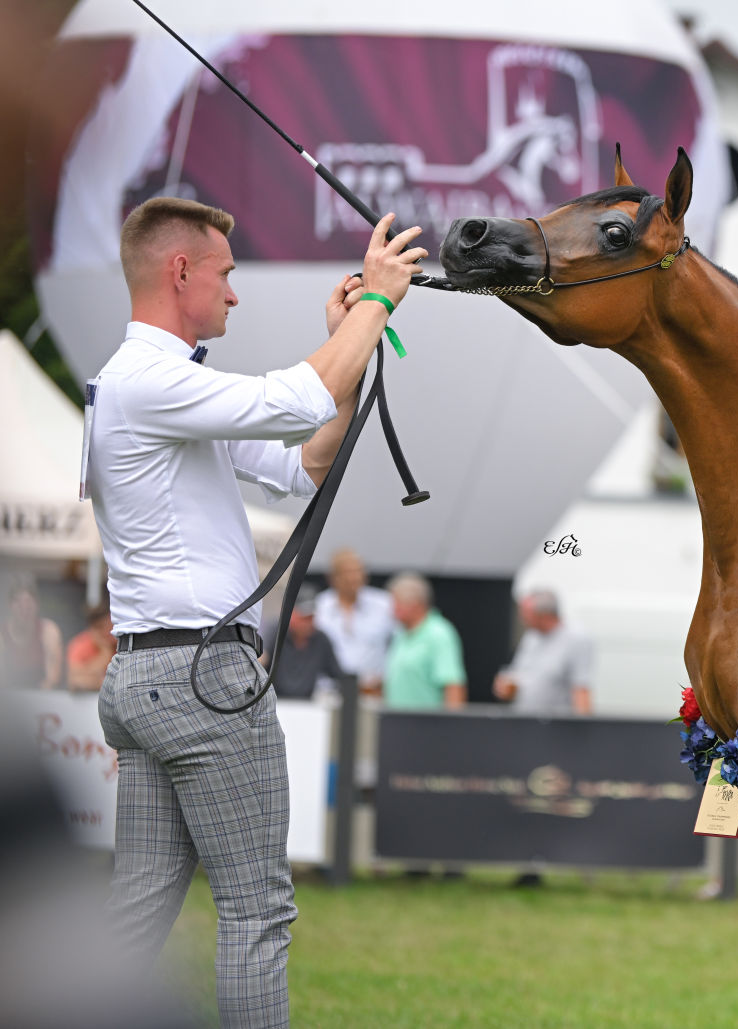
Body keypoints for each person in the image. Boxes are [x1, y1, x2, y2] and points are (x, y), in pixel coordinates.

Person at [89, 195, 426, 1028]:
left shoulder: (156, 384)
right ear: (181, 273)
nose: (234, 294)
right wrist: (376, 303)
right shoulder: (151, 379)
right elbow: (291, 400)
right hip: (202, 681)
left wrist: (356, 336)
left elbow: (298, 464)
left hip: (145, 678)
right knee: (256, 911)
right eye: (226, 275)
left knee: (133, 917)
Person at [493, 588, 594, 716]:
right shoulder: (531, 637)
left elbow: (581, 689)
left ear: (544, 615)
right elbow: (519, 676)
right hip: (526, 724)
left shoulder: (577, 639)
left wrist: (585, 730)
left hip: (557, 729)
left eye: (526, 613)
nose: (521, 618)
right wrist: (508, 689)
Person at [314, 547, 394, 695]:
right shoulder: (319, 607)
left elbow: (400, 643)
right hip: (329, 691)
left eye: (359, 571)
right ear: (332, 577)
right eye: (348, 572)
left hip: (371, 691)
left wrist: (387, 677)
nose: (355, 577)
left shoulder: (384, 604)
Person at [383, 572, 466, 710]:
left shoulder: (439, 634)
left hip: (427, 726)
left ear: (415, 604)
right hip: (398, 723)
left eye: (396, 602)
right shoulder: (400, 634)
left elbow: (453, 686)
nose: (392, 608)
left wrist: (452, 727)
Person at [263, 586, 344, 701]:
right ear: (290, 614)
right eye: (304, 617)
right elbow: (261, 660)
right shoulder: (274, 633)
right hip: (274, 703)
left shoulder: (321, 639)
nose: (308, 623)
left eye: (311, 617)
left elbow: (338, 675)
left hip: (308, 707)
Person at [0, 574, 63, 690]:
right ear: (10, 605)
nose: (24, 608)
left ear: (37, 605)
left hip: (40, 695)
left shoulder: (48, 631)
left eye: (29, 603)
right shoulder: (2, 635)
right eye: (19, 603)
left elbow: (53, 678)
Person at [65, 602, 116, 691]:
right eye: (100, 627)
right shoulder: (80, 644)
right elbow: (75, 680)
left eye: (111, 626)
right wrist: (105, 653)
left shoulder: (125, 644)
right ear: (92, 629)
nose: (107, 632)